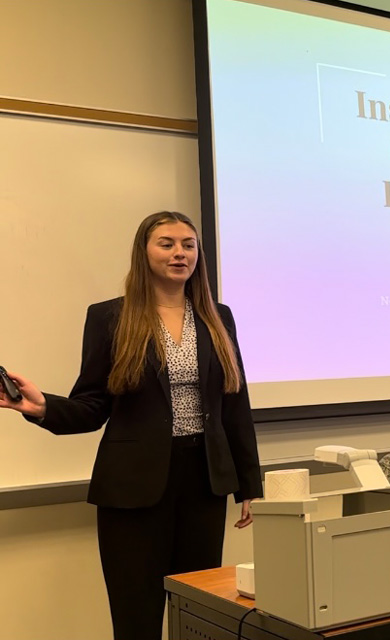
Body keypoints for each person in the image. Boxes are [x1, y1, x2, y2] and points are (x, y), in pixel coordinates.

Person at [0, 211, 262, 640]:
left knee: (197, 613)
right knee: (136, 615)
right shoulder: (110, 318)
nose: (180, 253)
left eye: (188, 244)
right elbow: (92, 405)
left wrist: (249, 482)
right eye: (166, 244)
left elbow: (235, 403)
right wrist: (42, 406)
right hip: (132, 490)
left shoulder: (219, 317)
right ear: (144, 252)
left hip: (204, 484)